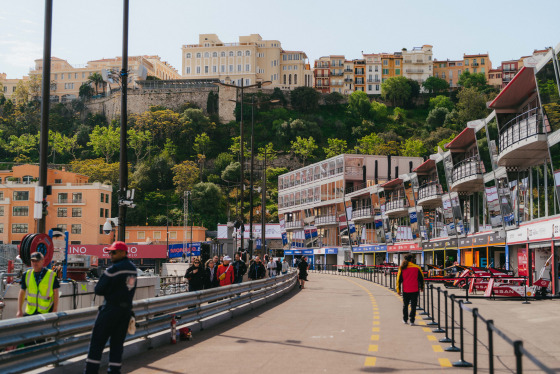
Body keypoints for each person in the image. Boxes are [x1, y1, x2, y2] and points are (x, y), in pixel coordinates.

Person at [85, 241, 137, 374]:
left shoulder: (113, 269)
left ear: (122, 253)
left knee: (97, 343)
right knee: (117, 345)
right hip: (125, 312)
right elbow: (129, 289)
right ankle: (114, 371)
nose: (110, 255)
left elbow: (99, 289)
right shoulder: (133, 269)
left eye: (113, 252)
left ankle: (91, 371)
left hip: (110, 310)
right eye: (110, 252)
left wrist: (111, 292)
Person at [17, 252, 60, 317]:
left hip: (46, 312)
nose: (34, 263)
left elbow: (56, 293)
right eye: (33, 261)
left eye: (37, 261)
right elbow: (22, 292)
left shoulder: (51, 275)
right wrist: (19, 310)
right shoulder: (26, 274)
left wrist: (55, 310)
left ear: (43, 261)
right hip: (30, 312)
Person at [396, 254, 424, 326]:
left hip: (406, 290)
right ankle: (412, 321)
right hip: (415, 289)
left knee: (405, 305)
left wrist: (398, 290)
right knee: (413, 306)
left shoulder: (402, 268)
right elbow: (421, 278)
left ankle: (405, 320)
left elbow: (398, 280)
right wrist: (422, 287)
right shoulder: (417, 267)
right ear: (411, 259)